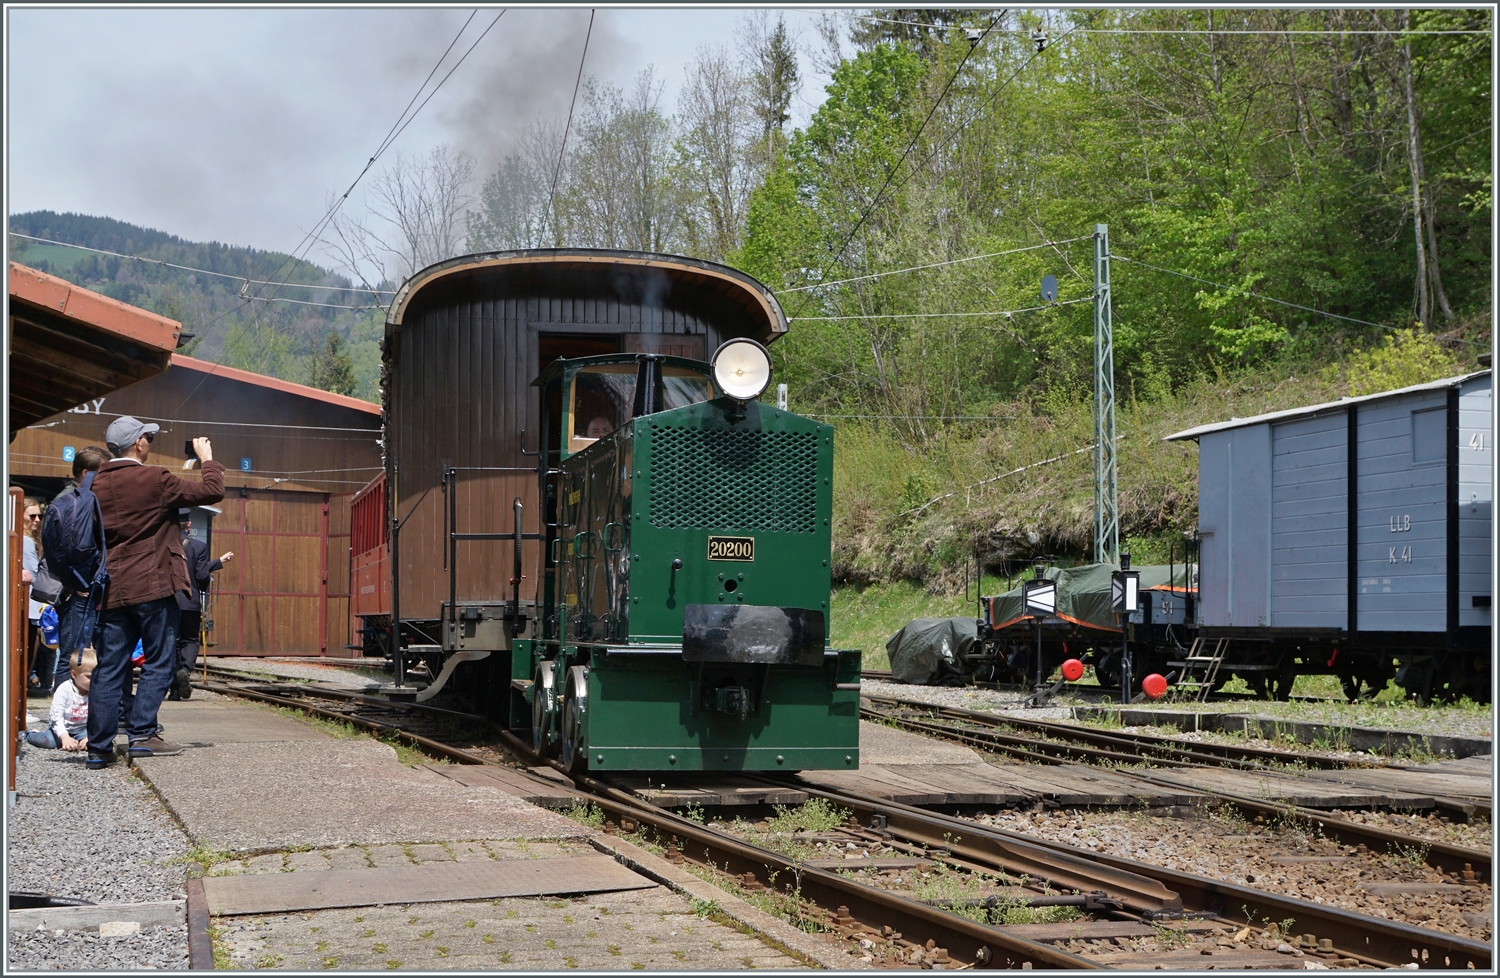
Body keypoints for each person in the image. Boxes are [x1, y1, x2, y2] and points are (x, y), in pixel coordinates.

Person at [87, 417, 224, 768]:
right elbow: (211, 491)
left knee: (109, 667)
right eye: (147, 437)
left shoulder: (96, 483)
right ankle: (143, 735)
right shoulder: (154, 478)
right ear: (138, 444)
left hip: (112, 589)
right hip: (153, 585)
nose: (149, 441)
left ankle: (99, 747)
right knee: (159, 661)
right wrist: (207, 458)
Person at [51, 445, 111, 692]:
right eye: (102, 473)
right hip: (79, 593)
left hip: (84, 589)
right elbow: (60, 551)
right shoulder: (72, 503)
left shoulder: (77, 500)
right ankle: (62, 719)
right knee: (74, 656)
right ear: (86, 473)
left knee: (80, 655)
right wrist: (76, 583)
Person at [171, 510, 233, 700]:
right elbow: (202, 576)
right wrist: (204, 585)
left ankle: (173, 689)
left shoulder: (162, 545)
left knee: (170, 642)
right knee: (190, 640)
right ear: (188, 524)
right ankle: (184, 669)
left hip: (166, 602)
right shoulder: (199, 546)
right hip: (189, 601)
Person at [22, 647, 96, 752]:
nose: (93, 680)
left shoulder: (96, 690)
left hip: (83, 729)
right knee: (48, 742)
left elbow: (98, 717)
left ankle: (78, 740)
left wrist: (90, 736)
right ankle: (29, 734)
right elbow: (56, 717)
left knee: (95, 741)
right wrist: (64, 736)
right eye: (89, 677)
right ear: (74, 674)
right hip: (61, 728)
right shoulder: (64, 689)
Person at [22, 498, 47, 695]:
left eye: (39, 515)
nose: (37, 520)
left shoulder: (30, 540)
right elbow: (34, 574)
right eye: (32, 516)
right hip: (29, 606)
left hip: (30, 606)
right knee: (28, 650)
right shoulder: (25, 541)